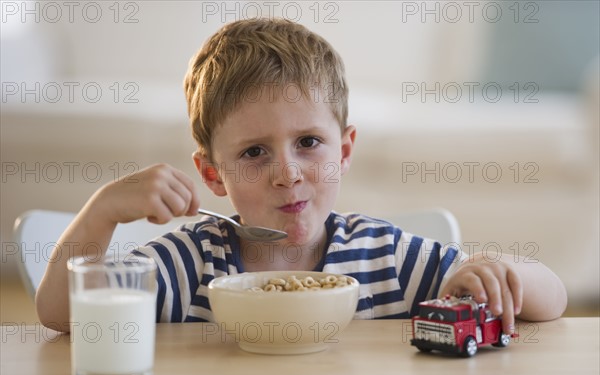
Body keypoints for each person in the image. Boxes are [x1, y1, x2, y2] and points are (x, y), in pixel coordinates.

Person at [36, 18, 567, 333]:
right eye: (253, 153)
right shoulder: (189, 263)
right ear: (211, 174)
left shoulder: (385, 258)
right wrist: (103, 208)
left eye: (309, 143)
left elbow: (555, 298)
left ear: (346, 148)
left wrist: (491, 268)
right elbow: (63, 315)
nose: (287, 174)